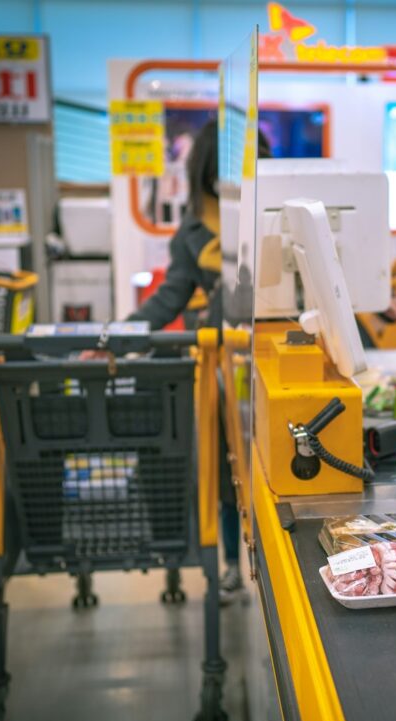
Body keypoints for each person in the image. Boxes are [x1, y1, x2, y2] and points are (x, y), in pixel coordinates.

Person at [129, 120, 271, 600]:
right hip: (220, 372)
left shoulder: (274, 215)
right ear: (208, 176)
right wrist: (117, 334)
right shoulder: (193, 233)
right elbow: (168, 298)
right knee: (226, 471)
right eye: (224, 174)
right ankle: (233, 561)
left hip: (274, 362)